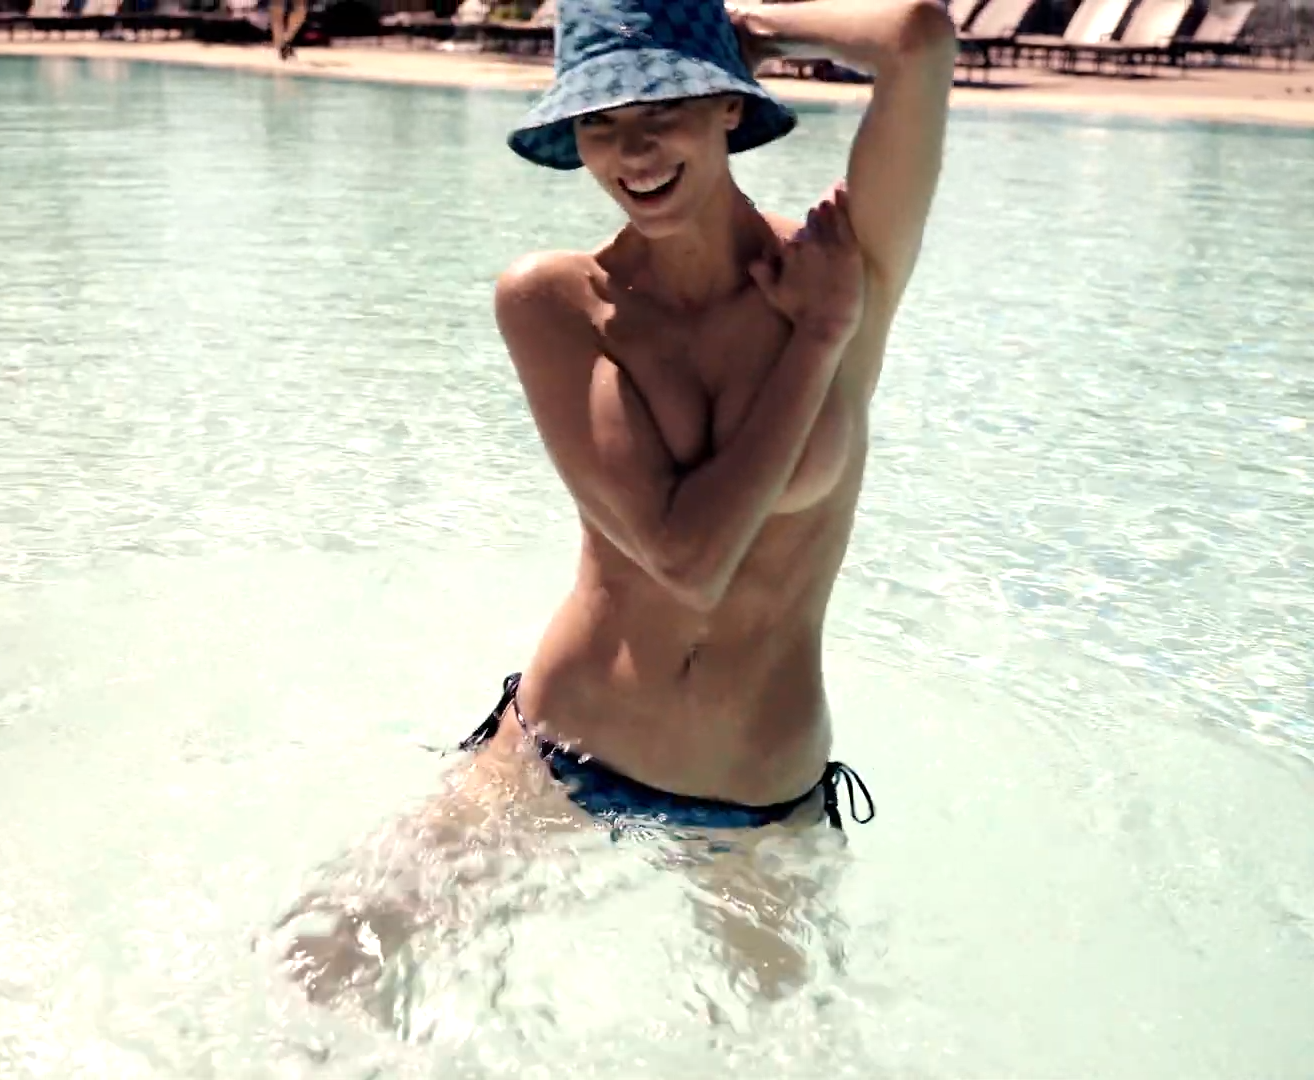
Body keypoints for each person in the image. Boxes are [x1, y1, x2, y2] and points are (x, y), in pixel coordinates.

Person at [275, 0, 956, 1013]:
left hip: (759, 796)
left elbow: (919, 39)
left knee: (780, 1055)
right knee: (324, 958)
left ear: (729, 106)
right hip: (569, 749)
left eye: (662, 105)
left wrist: (738, 25)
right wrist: (815, 344)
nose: (631, 150)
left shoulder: (840, 268)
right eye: (599, 120)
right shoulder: (559, 302)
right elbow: (688, 559)